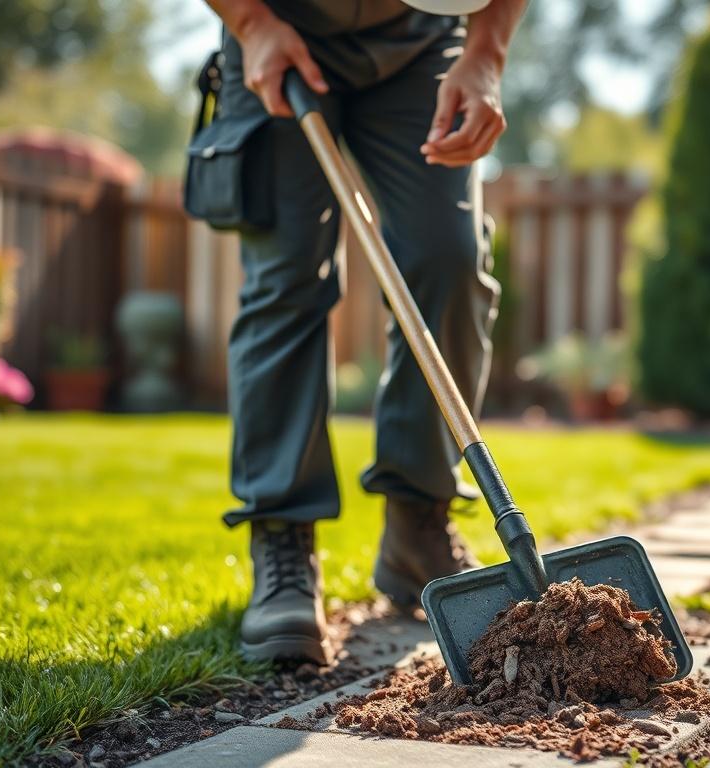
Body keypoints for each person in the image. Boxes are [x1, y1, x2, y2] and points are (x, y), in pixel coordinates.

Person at [195, 0, 526, 664]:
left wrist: (485, 54)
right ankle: (283, 537)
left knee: (449, 259)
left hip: (420, 45)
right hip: (279, 19)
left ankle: (417, 525)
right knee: (286, 278)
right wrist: (254, 26)